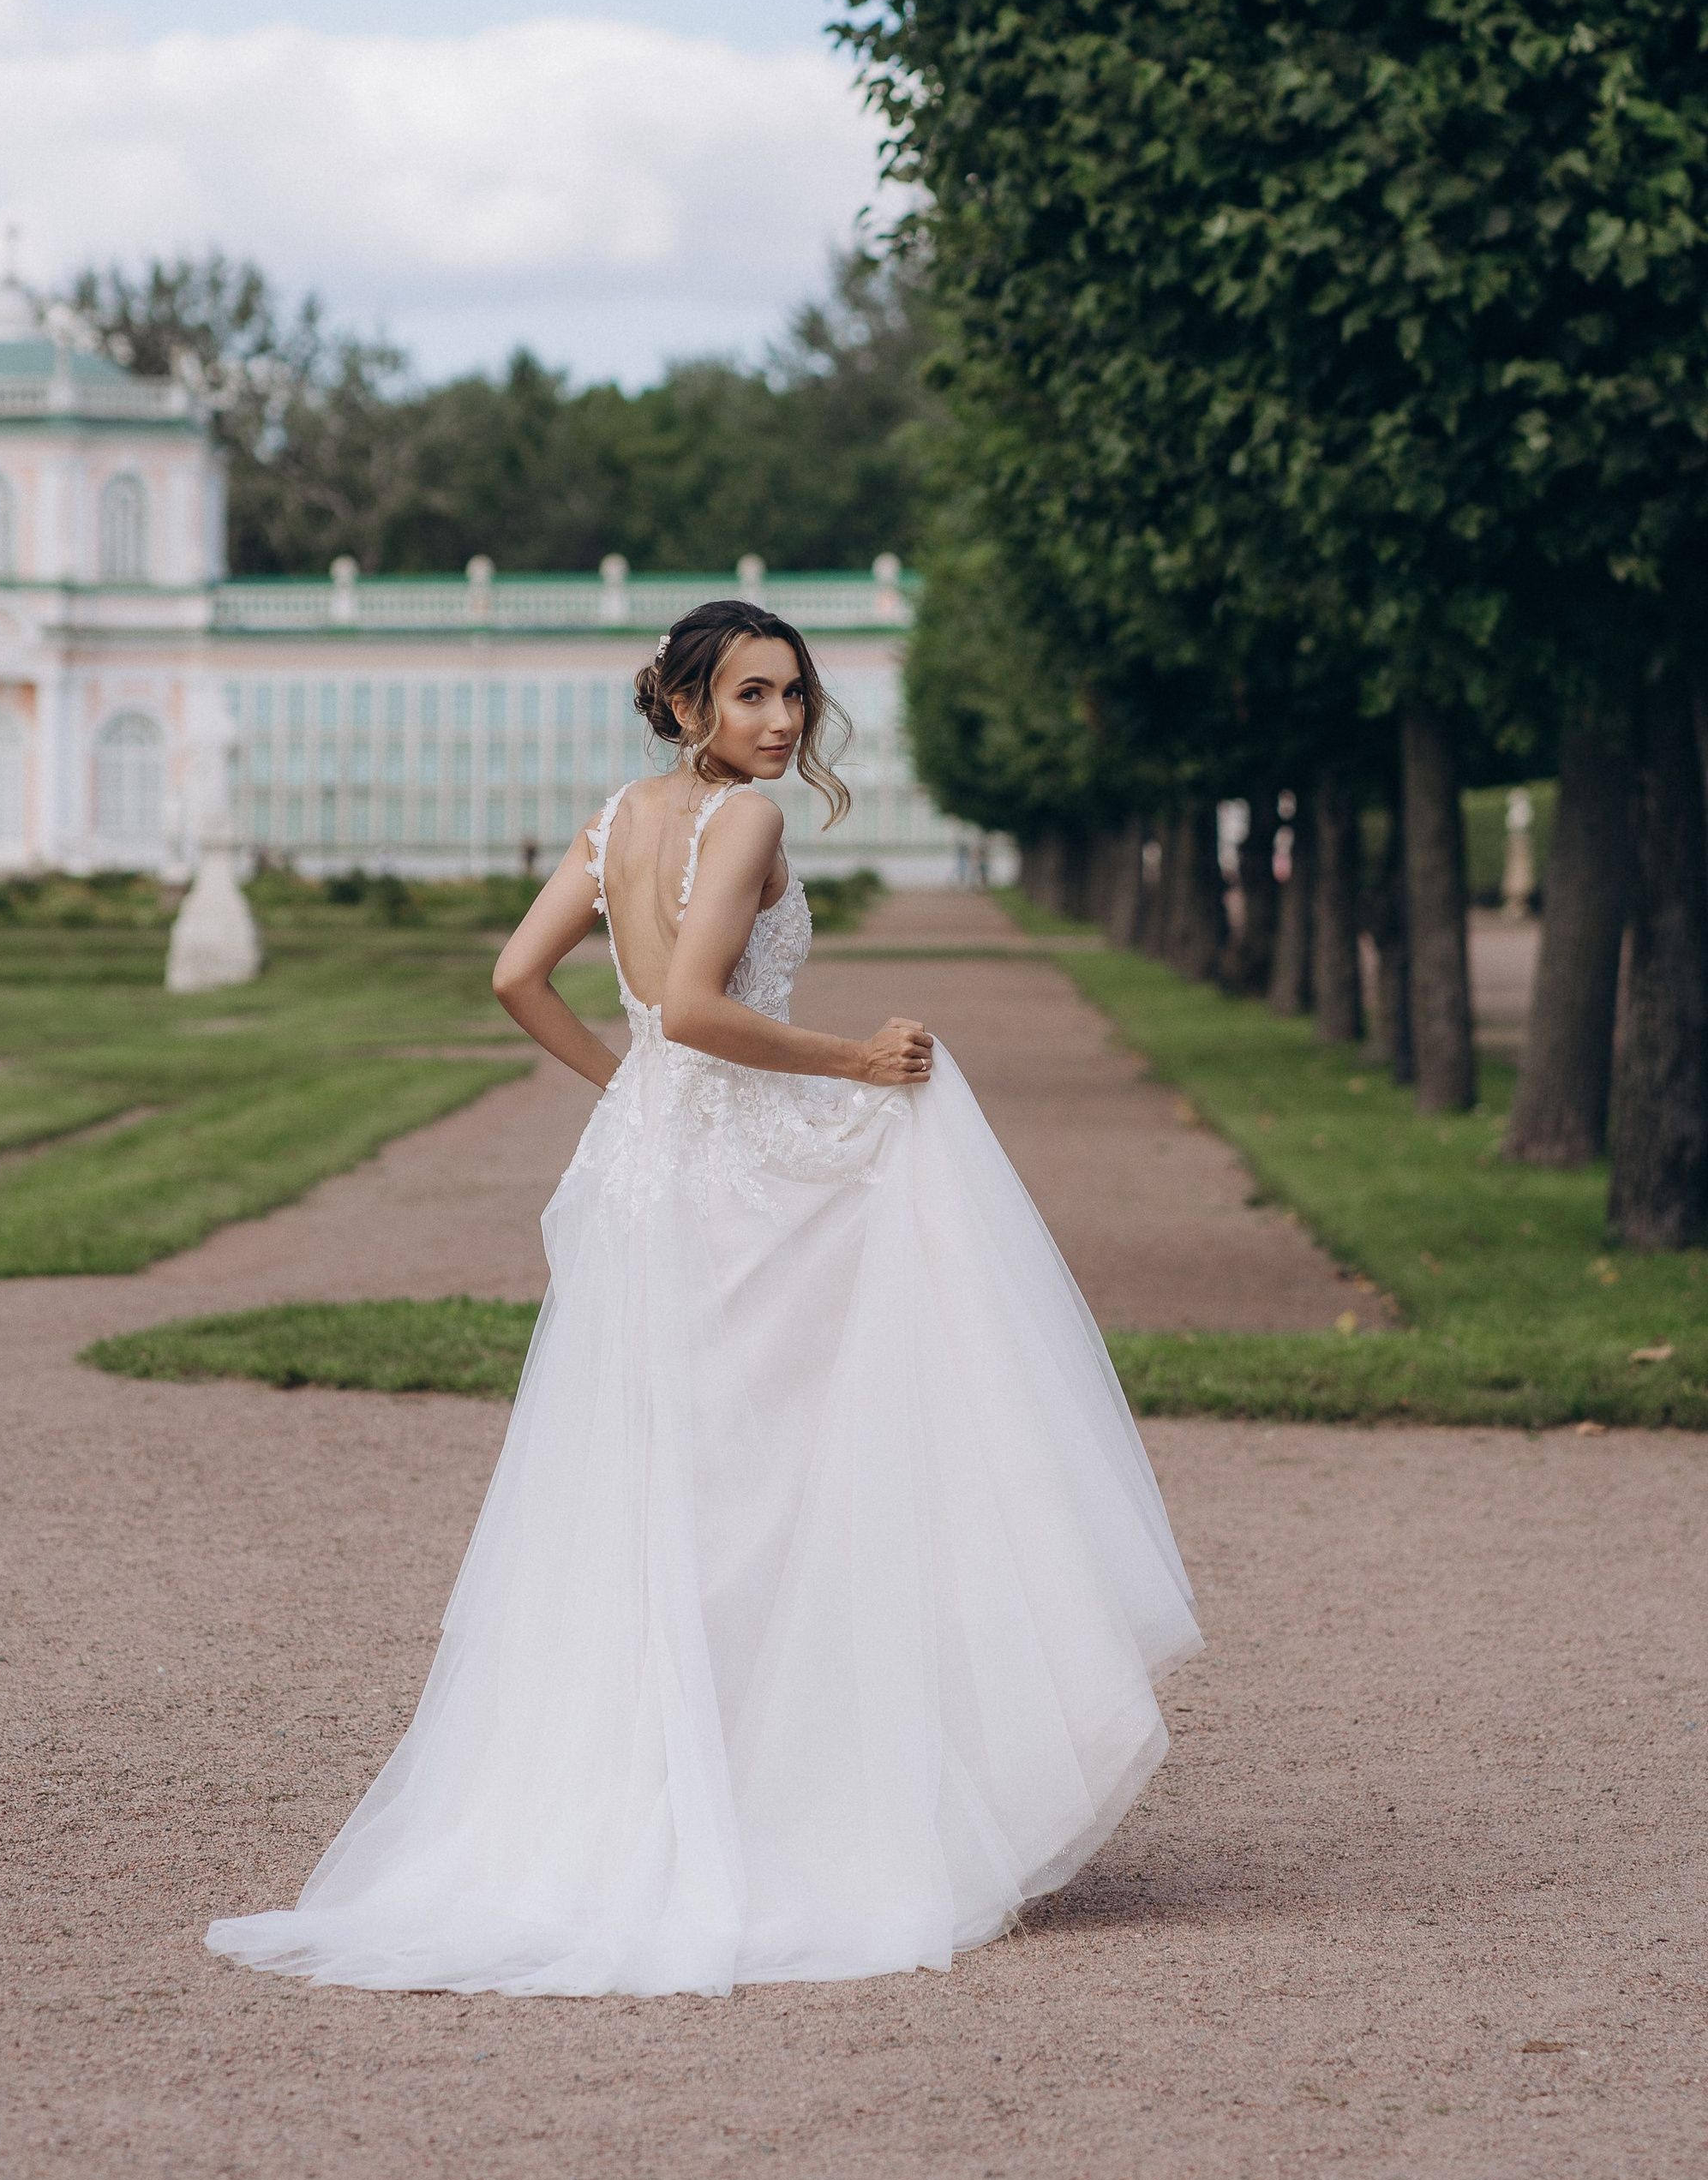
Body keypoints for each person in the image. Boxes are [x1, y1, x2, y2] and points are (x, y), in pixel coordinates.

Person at [207, 599, 1200, 1997]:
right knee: (773, 1481)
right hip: (731, 1188)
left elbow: (518, 977)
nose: (781, 722)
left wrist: (629, 1095)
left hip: (643, 1179)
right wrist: (855, 1061)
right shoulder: (745, 826)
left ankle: (661, 1793)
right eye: (748, 696)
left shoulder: (619, 822)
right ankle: (776, 1803)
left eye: (793, 694)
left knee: (670, 1483)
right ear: (687, 708)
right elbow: (692, 1008)